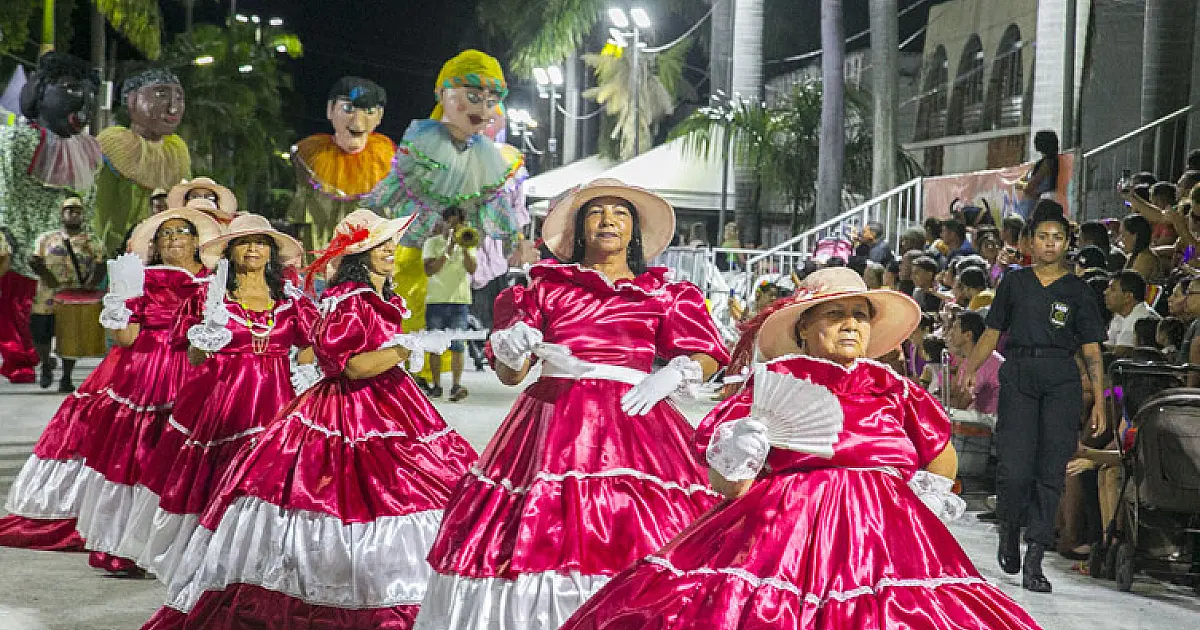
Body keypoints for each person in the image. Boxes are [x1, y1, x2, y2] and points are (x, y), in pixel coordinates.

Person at [558, 267, 1046, 630]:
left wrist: (927, 497)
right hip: (786, 527)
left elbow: (941, 455)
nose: (851, 324)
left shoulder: (893, 386)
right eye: (835, 315)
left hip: (886, 527)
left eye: (860, 315)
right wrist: (741, 451)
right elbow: (728, 483)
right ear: (805, 328)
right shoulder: (775, 380)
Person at [141, 209, 479, 629]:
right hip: (346, 408)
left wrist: (399, 348)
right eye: (379, 245)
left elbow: (314, 347)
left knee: (405, 490)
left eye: (391, 242)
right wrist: (404, 348)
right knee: (337, 496)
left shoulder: (377, 298)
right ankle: (348, 591)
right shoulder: (352, 301)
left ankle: (402, 584)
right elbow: (347, 366)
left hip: (389, 403)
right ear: (359, 255)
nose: (390, 249)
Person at [415, 179, 730, 630]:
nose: (608, 220)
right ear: (581, 229)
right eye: (596, 212)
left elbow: (707, 352)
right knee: (537, 536)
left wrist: (675, 373)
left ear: (633, 231)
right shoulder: (543, 289)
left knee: (646, 535)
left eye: (620, 213)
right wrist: (512, 348)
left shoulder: (663, 295)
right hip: (550, 424)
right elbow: (512, 375)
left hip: (639, 423)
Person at [92, 214, 317, 582]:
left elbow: (311, 342)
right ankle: (211, 558)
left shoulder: (291, 302)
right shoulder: (207, 297)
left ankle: (260, 557)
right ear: (230, 251)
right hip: (222, 400)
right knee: (213, 477)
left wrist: (300, 373)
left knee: (267, 480)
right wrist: (205, 339)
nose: (253, 249)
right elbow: (192, 355)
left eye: (261, 243)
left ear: (271, 253)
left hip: (275, 401)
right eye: (244, 242)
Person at [960, 200, 1107, 593]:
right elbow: (991, 332)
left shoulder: (1078, 290)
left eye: (1057, 238)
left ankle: (1035, 558)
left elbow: (1092, 350)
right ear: (1029, 241)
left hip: (1062, 378)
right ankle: (1009, 527)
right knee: (1014, 467)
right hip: (1019, 374)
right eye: (1042, 237)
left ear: (1067, 242)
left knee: (1051, 470)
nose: (1049, 244)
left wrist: (1103, 406)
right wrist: (970, 368)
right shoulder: (1014, 282)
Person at [289, 77, 395, 251]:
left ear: (379, 116)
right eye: (348, 109)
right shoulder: (309, 155)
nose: (357, 122)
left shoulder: (387, 160)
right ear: (330, 109)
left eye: (369, 111)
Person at [93, 68, 191, 255]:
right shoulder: (113, 146)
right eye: (161, 95)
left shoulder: (177, 152)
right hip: (117, 253)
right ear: (131, 100)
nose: (173, 108)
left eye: (179, 98)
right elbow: (98, 210)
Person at [29, 197, 106, 392]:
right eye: (69, 210)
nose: (73, 214)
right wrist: (47, 276)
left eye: (77, 211)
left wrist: (91, 284)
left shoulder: (92, 240)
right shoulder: (46, 238)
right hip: (46, 296)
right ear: (62, 214)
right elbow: (34, 260)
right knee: (40, 334)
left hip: (75, 297)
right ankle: (46, 364)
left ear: (82, 215)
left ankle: (66, 377)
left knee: (70, 338)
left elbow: (101, 264)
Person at [422, 206, 476, 401]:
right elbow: (429, 271)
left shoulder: (468, 242)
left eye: (457, 223)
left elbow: (472, 269)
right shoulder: (432, 243)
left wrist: (463, 248)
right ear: (443, 222)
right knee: (435, 345)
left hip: (459, 301)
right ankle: (436, 385)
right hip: (436, 300)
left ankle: (456, 385)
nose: (453, 227)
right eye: (450, 223)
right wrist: (448, 250)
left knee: (458, 346)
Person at [1103, 270, 1160, 357]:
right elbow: (1108, 346)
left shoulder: (1141, 317)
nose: (1105, 292)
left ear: (1128, 297)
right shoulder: (1120, 315)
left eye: (1112, 289)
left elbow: (1119, 353)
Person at [1015, 130, 1060, 219]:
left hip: (1032, 205)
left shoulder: (1047, 163)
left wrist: (1021, 185)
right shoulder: (1042, 163)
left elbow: (1030, 187)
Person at [1119, 213, 1161, 283]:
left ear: (1135, 236)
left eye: (1123, 235)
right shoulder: (1133, 256)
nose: (1120, 240)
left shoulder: (1145, 258)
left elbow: (1131, 286)